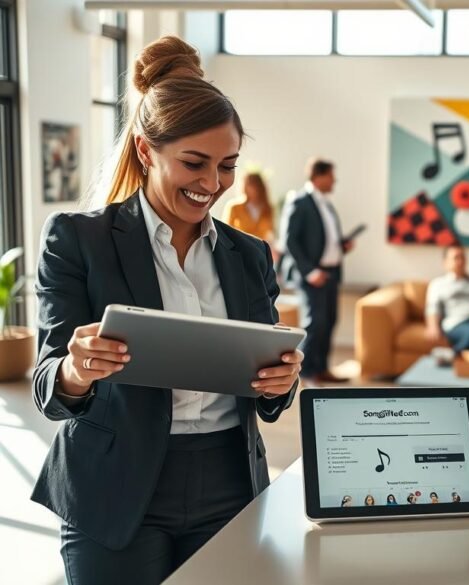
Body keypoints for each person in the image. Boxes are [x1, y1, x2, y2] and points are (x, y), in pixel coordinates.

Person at [30, 37, 302, 585]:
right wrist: (76, 370)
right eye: (194, 163)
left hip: (229, 482)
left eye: (226, 166)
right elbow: (47, 384)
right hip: (115, 483)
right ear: (145, 150)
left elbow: (269, 394)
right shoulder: (78, 240)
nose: (212, 184)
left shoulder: (249, 256)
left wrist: (281, 383)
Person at [280, 159, 353, 384]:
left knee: (329, 321)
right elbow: (290, 240)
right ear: (318, 176)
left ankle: (322, 368)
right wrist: (310, 271)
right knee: (315, 322)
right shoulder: (300, 201)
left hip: (331, 273)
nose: (335, 181)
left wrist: (341, 246)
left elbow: (324, 239)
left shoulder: (326, 204)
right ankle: (306, 372)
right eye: (331, 176)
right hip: (311, 275)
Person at [221, 171, 277, 262]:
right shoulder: (234, 207)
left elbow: (270, 233)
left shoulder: (268, 208)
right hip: (240, 254)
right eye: (250, 185)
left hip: (261, 254)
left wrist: (273, 249)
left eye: (255, 185)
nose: (253, 188)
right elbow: (225, 233)